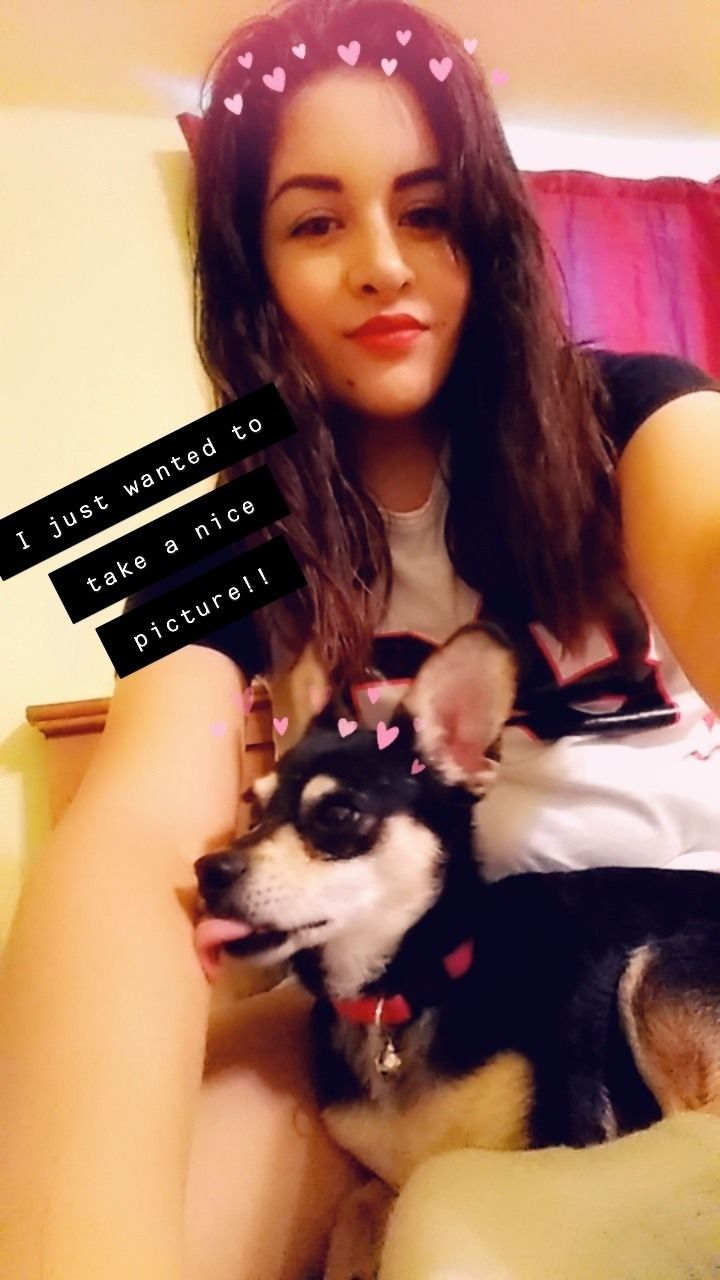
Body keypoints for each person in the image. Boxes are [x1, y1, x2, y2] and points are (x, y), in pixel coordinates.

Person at [1, 0, 719, 1277]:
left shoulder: (636, 412)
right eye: (317, 221)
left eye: (428, 211)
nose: (385, 264)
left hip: (669, 943)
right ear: (253, 268)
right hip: (393, 983)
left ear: (486, 231)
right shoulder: (220, 528)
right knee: (143, 1170)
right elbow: (136, 834)